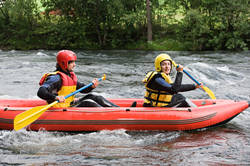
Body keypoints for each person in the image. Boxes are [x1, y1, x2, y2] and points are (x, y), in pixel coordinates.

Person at [37, 50, 118, 108]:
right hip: (59, 108)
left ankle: (119, 110)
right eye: (72, 62)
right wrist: (55, 97)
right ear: (64, 63)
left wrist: (91, 87)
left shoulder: (69, 76)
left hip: (69, 104)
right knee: (88, 103)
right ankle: (114, 116)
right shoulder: (56, 78)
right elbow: (41, 92)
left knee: (94, 96)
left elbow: (83, 89)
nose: (74, 65)